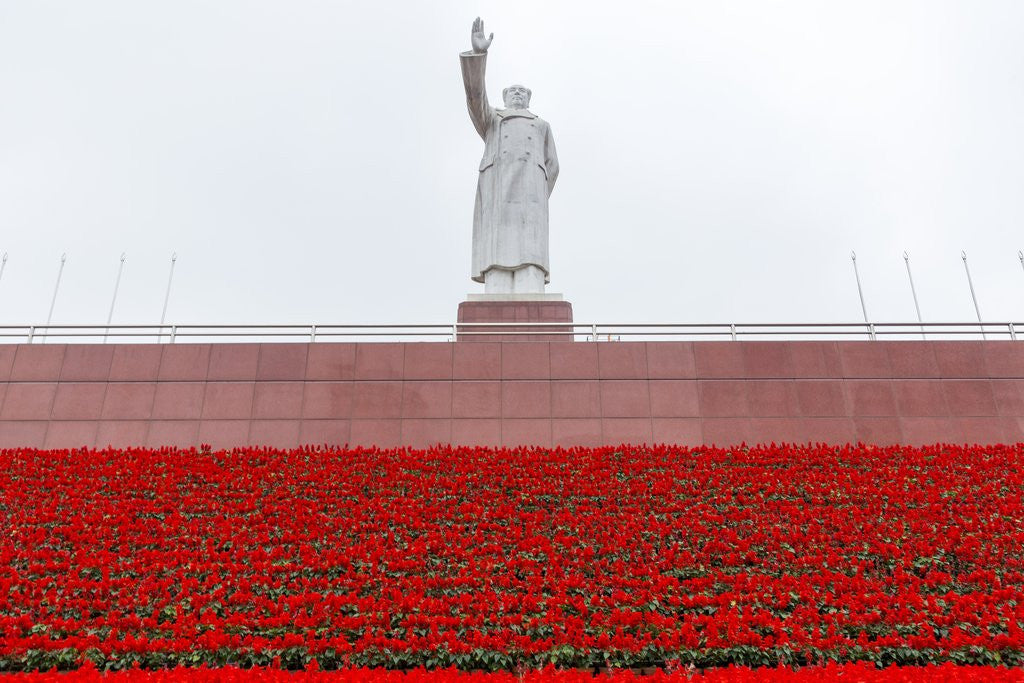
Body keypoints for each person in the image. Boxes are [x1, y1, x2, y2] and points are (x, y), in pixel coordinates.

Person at [460, 17, 559, 294]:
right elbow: (475, 100)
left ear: (528, 99)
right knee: (497, 263)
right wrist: (479, 54)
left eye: (522, 92)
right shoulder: (493, 120)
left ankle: (531, 283)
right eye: (512, 91)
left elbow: (553, 166)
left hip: (532, 201)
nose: (517, 94)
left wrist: (536, 192)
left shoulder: (541, 125)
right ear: (504, 97)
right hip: (498, 195)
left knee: (530, 261)